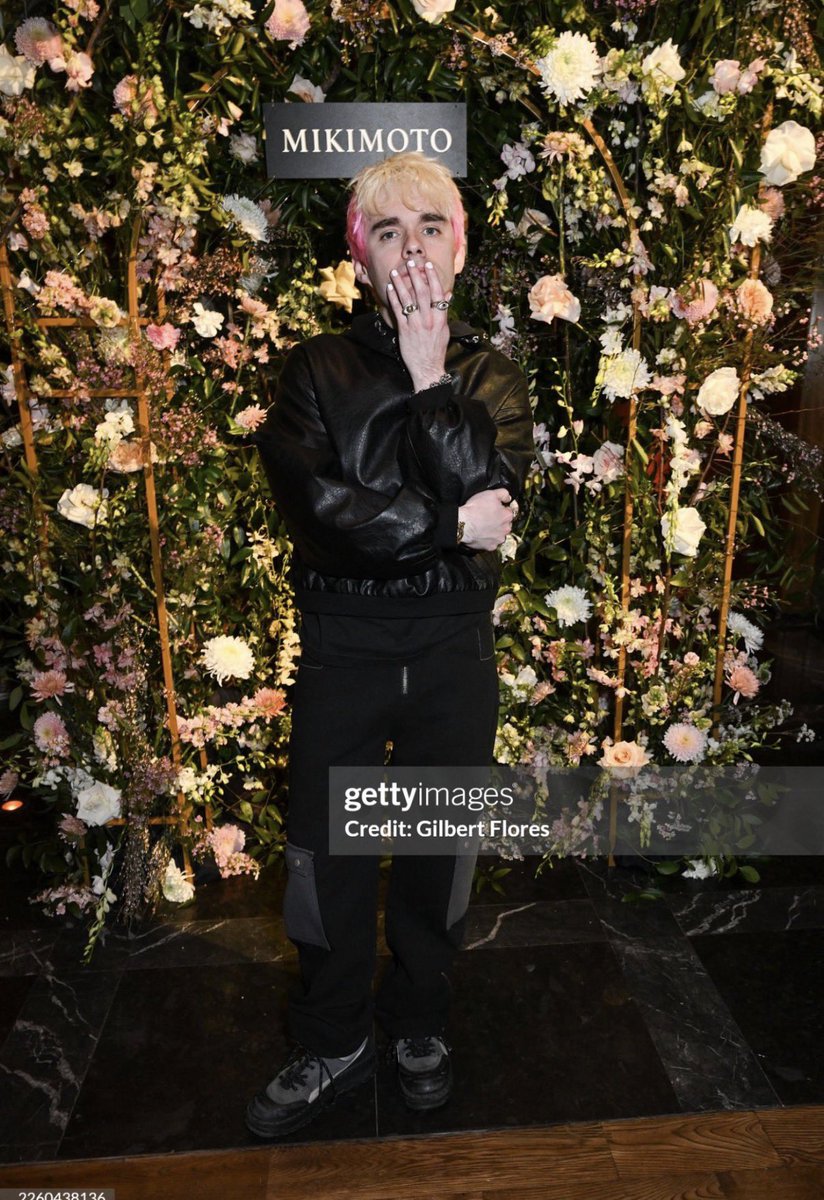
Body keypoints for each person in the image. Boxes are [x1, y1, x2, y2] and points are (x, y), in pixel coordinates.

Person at [246, 151, 533, 1138]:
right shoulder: (312, 370)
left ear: (459, 247)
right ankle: (329, 1038)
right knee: (325, 855)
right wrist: (448, 529)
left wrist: (426, 375)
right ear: (356, 255)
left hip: (450, 650)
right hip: (344, 650)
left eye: (428, 227)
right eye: (386, 230)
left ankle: (418, 1021)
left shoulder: (492, 376)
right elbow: (322, 513)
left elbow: (487, 486)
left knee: (431, 849)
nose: (409, 246)